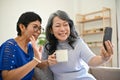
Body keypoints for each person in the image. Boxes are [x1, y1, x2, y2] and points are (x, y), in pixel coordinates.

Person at [42, 10, 113, 80]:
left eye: (65, 25)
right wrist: (47, 62)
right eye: (58, 26)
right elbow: (40, 66)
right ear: (51, 30)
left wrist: (104, 58)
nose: (62, 29)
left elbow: (91, 60)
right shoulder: (48, 47)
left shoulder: (78, 42)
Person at [0, 12, 43, 80]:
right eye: (35, 27)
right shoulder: (9, 46)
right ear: (22, 27)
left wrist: (48, 62)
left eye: (40, 28)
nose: (38, 31)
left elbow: (28, 73)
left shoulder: (30, 47)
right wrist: (36, 60)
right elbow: (7, 77)